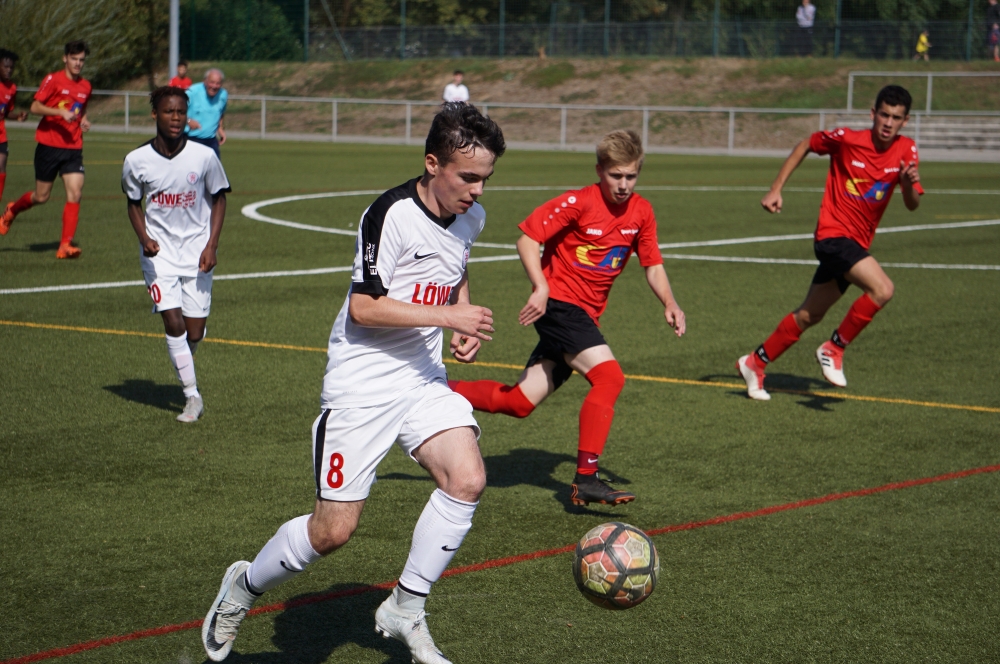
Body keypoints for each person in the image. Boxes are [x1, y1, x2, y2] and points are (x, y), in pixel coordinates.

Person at [200, 102, 505, 664]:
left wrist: (461, 316)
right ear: (432, 163)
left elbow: (456, 266)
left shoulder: (472, 217)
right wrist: (447, 316)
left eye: (485, 178)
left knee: (467, 479)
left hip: (422, 378)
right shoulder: (389, 215)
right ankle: (244, 585)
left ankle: (406, 607)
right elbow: (364, 307)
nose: (478, 190)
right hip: (361, 386)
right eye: (468, 177)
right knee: (332, 531)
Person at [449, 130, 685, 507]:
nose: (623, 184)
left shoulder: (642, 211)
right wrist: (540, 286)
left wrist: (669, 302)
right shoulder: (579, 202)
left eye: (631, 176)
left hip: (583, 316)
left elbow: (652, 264)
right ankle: (586, 478)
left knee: (518, 402)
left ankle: (438, 388)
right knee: (609, 378)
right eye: (615, 175)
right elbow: (527, 239)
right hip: (559, 306)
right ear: (600, 170)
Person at [735, 85, 924, 401]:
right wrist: (776, 188)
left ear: (905, 121)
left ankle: (755, 363)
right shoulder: (847, 139)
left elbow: (913, 204)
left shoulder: (907, 149)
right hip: (833, 236)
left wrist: (907, 184)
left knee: (809, 315)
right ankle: (834, 348)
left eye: (896, 118)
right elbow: (806, 144)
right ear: (873, 114)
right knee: (882, 289)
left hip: (856, 245)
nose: (888, 123)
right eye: (884, 115)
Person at [122, 87, 230, 423]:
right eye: (169, 111)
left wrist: (211, 245)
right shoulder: (136, 160)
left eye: (181, 112)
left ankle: (183, 356)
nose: (175, 118)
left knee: (193, 333)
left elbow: (220, 198)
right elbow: (133, 203)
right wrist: (144, 238)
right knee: (173, 323)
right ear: (155, 114)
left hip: (197, 252)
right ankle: (192, 396)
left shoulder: (204, 156)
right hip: (159, 256)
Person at [0, 41, 91, 258]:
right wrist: (59, 113)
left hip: (73, 147)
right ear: (65, 58)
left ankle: (65, 245)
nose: (78, 64)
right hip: (48, 146)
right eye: (74, 59)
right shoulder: (53, 79)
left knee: (76, 192)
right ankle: (12, 210)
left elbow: (81, 109)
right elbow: (35, 106)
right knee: (41, 197)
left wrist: (84, 120)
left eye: (81, 60)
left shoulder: (86, 86)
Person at [0, 49, 29, 207]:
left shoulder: (11, 88)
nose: (9, 70)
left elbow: (6, 112)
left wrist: (17, 116)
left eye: (11, 67)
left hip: (1, 134)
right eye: (5, 66)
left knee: (1, 165)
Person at [185, 68, 227, 156]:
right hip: (190, 139)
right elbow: (175, 111)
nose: (214, 86)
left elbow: (220, 112)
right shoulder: (192, 92)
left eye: (218, 83)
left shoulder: (223, 94)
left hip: (211, 141)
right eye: (212, 82)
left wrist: (220, 128)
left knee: (215, 165)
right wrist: (188, 120)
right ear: (205, 81)